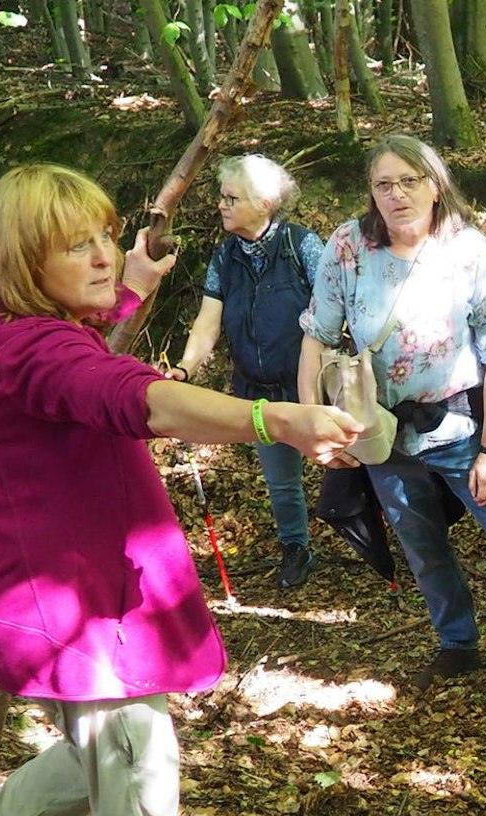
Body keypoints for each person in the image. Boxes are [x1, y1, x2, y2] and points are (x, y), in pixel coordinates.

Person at [0, 164, 362, 816]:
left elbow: (69, 348)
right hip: (71, 597)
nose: (103, 256)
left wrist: (129, 291)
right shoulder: (29, 352)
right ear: (22, 259)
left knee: (104, 747)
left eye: (104, 237)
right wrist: (274, 418)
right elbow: (134, 396)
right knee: (136, 746)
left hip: (44, 582)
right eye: (75, 247)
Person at [297, 135, 486, 710]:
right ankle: (458, 644)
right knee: (422, 546)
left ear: (435, 185)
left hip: (461, 431)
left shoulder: (468, 251)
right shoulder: (348, 246)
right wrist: (313, 425)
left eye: (409, 181)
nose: (396, 195)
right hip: (383, 435)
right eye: (383, 184)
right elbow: (316, 336)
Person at [167, 154, 329, 588]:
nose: (222, 205)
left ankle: (378, 539)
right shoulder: (226, 255)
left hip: (315, 385)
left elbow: (337, 307)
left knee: (349, 466)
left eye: (232, 198)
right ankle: (296, 548)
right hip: (258, 390)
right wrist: (185, 367)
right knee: (281, 481)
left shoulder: (302, 245)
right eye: (222, 197)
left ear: (265, 202)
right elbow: (208, 320)